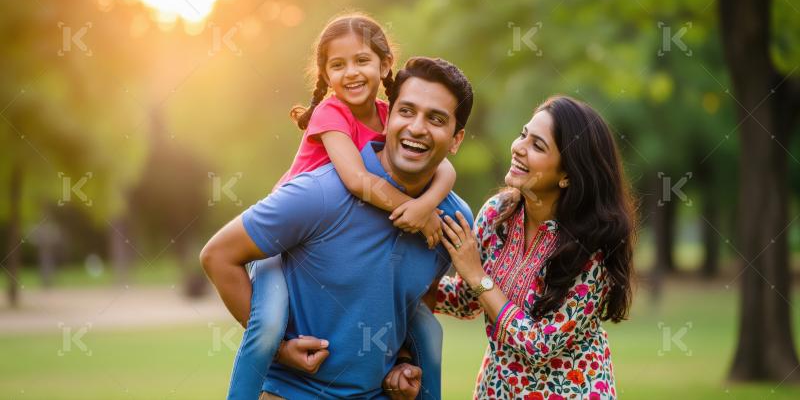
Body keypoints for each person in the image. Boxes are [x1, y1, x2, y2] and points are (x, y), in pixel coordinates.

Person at [201, 56, 475, 399]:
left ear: (456, 139)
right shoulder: (320, 193)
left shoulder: (453, 219)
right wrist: (280, 348)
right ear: (388, 118)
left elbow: (418, 297)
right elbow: (218, 255)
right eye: (406, 111)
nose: (417, 127)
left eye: (436, 119)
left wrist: (404, 360)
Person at [386, 96, 635, 399]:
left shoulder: (592, 249)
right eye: (523, 134)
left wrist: (477, 276)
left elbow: (539, 346)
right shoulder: (497, 213)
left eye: (538, 146)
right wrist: (403, 280)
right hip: (498, 389)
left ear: (568, 174)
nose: (518, 147)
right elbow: (468, 300)